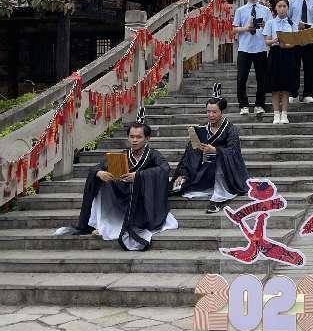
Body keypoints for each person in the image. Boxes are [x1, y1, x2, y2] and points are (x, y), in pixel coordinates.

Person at [54, 109, 177, 250]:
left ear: (147, 138)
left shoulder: (153, 155)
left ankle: (134, 223)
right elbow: (97, 167)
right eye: (131, 137)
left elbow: (164, 169)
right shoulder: (123, 155)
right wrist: (100, 173)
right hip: (124, 194)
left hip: (143, 198)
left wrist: (139, 176)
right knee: (99, 181)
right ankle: (102, 222)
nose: (134, 140)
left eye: (138, 137)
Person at [171, 84, 250, 214]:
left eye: (214, 112)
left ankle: (218, 199)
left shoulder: (231, 129)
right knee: (183, 183)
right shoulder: (202, 129)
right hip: (206, 168)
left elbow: (234, 152)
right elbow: (190, 154)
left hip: (226, 169)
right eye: (208, 111)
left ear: (221, 112)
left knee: (219, 162)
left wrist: (216, 151)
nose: (211, 115)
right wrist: (183, 173)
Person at [232, 0, 269, 117]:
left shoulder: (265, 10)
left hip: (261, 48)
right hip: (244, 48)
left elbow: (271, 28)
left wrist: (265, 25)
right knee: (241, 78)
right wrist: (246, 28)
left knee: (262, 79)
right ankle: (243, 105)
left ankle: (260, 104)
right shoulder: (240, 10)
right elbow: (234, 29)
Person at [263, 0, 299, 124]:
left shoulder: (292, 23)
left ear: (288, 8)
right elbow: (267, 41)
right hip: (275, 54)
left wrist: (286, 45)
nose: (282, 9)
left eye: (284, 6)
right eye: (279, 6)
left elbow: (295, 42)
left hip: (288, 54)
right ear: (275, 8)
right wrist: (275, 40)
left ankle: (284, 114)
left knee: (285, 87)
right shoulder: (270, 23)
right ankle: (276, 114)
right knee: (275, 87)